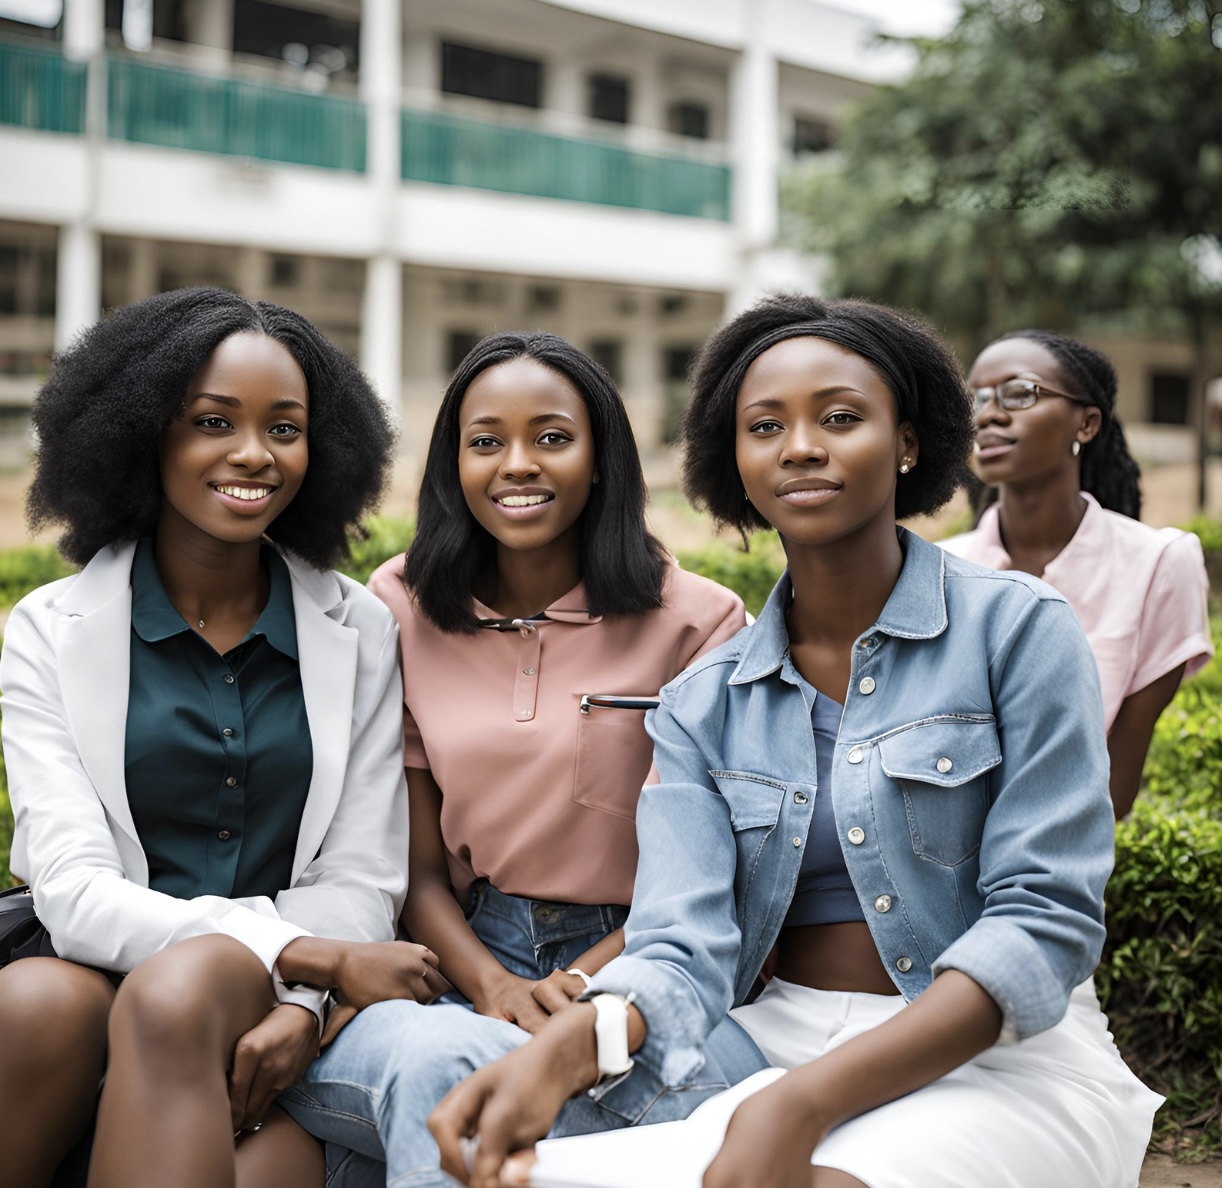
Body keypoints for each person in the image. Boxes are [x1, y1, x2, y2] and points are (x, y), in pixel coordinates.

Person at [426, 295, 1162, 1188]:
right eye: (765, 426)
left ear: (909, 442)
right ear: (737, 464)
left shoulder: (1018, 631)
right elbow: (678, 947)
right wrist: (566, 1050)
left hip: (1005, 1052)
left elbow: (1043, 922)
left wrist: (806, 1102)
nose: (801, 446)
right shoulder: (703, 698)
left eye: (841, 418)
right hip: (775, 1036)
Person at [278, 331, 757, 1185]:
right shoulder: (402, 603)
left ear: (602, 457)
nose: (517, 465)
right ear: (453, 465)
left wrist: (578, 985)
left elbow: (707, 878)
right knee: (446, 1061)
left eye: (552, 438)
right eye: (486, 442)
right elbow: (415, 867)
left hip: (638, 966)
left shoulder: (700, 621)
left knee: (719, 1100)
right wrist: (493, 986)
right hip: (454, 955)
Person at [0, 287, 443, 1188]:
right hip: (95, 965)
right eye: (212, 421)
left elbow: (361, 876)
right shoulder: (49, 628)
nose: (254, 454)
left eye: (285, 427)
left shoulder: (358, 628)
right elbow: (74, 889)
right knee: (31, 1005)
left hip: (256, 1005)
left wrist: (307, 1004)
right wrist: (311, 959)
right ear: (143, 434)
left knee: (185, 996)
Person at [941, 330, 1212, 817]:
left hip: (1060, 873)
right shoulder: (935, 570)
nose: (988, 414)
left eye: (1019, 393)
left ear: (1086, 424)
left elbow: (1114, 789)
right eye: (976, 399)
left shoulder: (1158, 564)